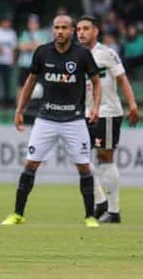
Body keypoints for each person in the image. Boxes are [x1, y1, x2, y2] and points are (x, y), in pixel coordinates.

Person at [1, 15, 102, 228]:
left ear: (72, 31)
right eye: (56, 27)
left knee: (84, 167)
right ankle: (17, 213)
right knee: (30, 163)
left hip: (74, 120)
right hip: (46, 119)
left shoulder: (82, 54)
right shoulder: (42, 52)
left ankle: (90, 216)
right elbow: (30, 82)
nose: (59, 31)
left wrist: (95, 107)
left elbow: (96, 80)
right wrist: (20, 109)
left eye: (64, 27)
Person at [77, 15, 139, 223]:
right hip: (84, 113)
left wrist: (132, 104)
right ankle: (101, 201)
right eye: (78, 29)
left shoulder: (106, 53)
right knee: (81, 159)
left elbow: (122, 79)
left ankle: (113, 211)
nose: (81, 33)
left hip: (107, 112)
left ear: (95, 31)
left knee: (105, 158)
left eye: (86, 28)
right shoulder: (75, 55)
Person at [17, 14, 49, 95]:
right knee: (21, 85)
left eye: (34, 23)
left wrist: (29, 45)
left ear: (38, 24)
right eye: (31, 23)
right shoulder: (24, 34)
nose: (32, 25)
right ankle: (19, 106)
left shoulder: (43, 34)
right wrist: (33, 46)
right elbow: (21, 47)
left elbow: (42, 48)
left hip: (38, 65)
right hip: (25, 64)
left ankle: (39, 105)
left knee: (40, 85)